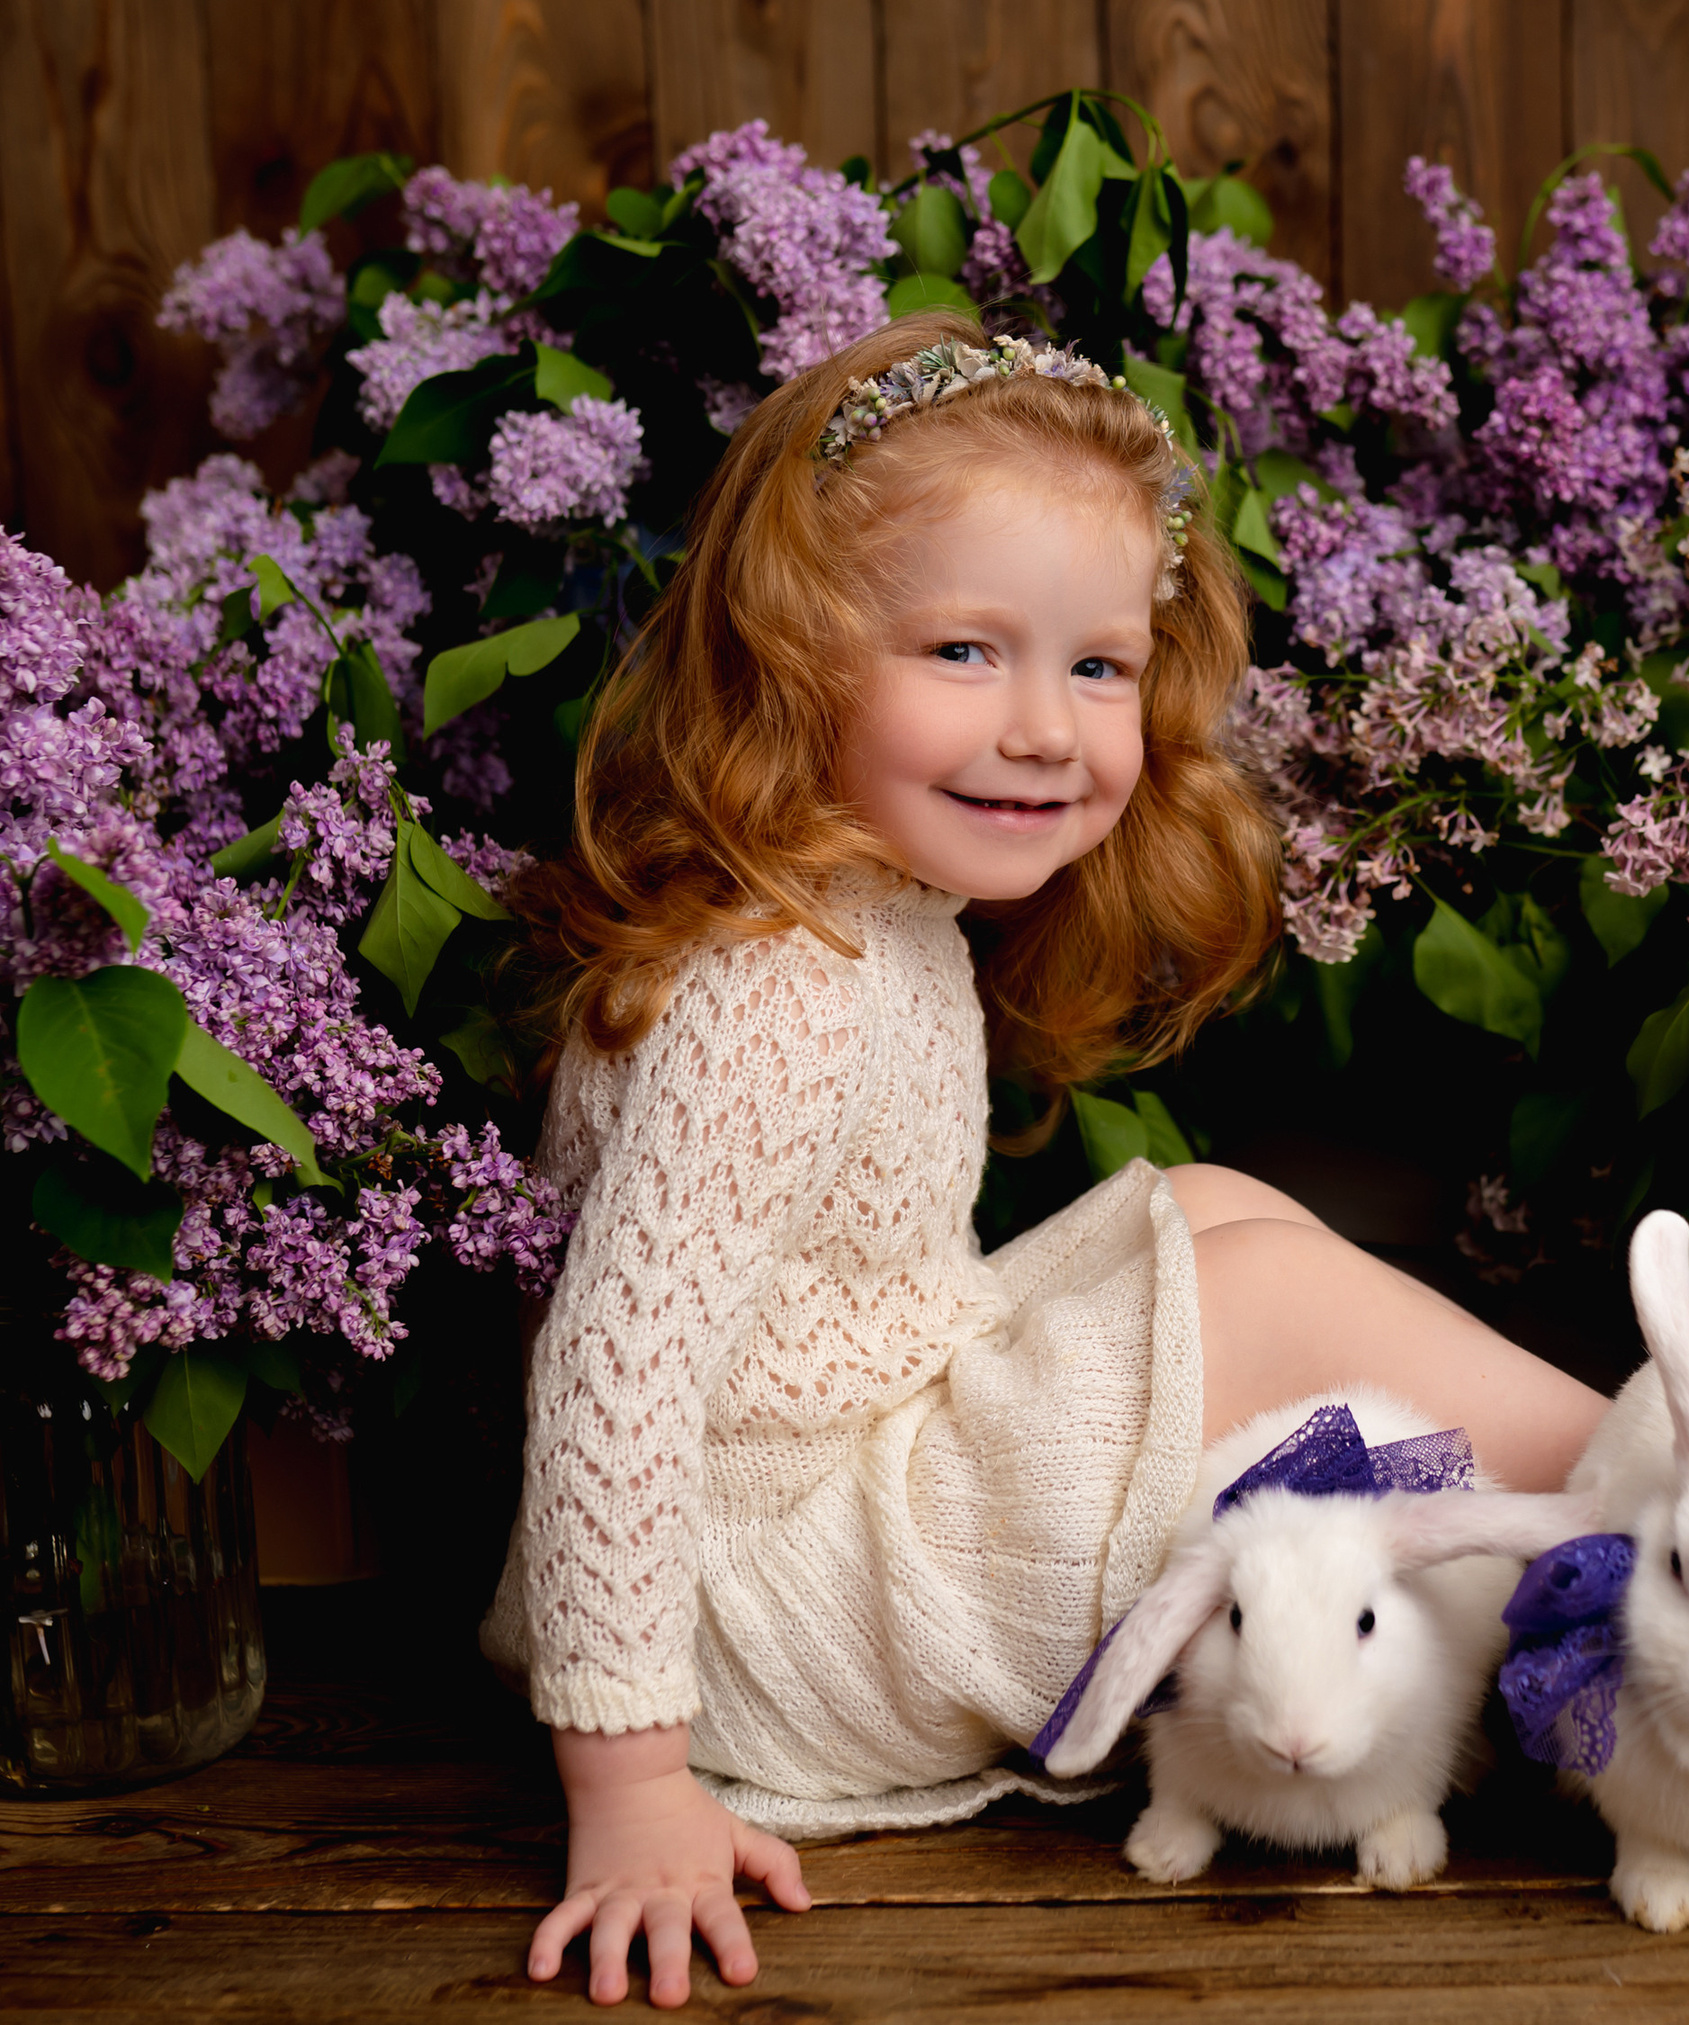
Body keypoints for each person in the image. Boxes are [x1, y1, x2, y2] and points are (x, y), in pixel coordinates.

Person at [482, 310, 1610, 2007]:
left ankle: (1650, 1518)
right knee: (1263, 1289)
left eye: (1096, 666)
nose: (1046, 727)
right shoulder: (773, 992)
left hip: (810, 1509)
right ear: (791, 658)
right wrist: (635, 1786)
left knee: (1213, 1211)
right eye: (962, 651)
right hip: (759, 1622)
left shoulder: (861, 906)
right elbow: (610, 1382)